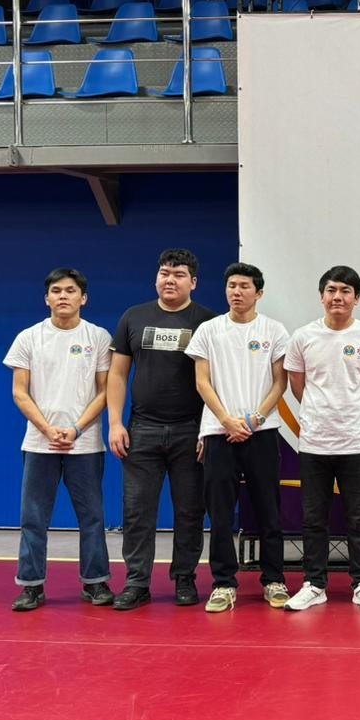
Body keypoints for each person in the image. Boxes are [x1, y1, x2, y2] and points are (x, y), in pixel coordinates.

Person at [107, 249, 216, 610]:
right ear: (156, 278)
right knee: (137, 512)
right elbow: (117, 374)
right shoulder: (134, 317)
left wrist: (207, 430)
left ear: (193, 282)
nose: (170, 280)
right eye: (165, 273)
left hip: (191, 431)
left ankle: (184, 578)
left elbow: (216, 381)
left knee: (189, 511)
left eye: (179, 274)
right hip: (142, 430)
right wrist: (115, 422)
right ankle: (137, 582)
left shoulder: (207, 321)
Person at [3, 267, 113, 611]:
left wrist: (76, 429)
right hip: (40, 444)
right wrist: (47, 429)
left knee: (92, 517)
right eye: (56, 291)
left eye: (70, 290)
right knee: (33, 518)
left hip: (85, 444)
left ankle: (95, 582)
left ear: (84, 298)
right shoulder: (28, 338)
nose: (62, 296)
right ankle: (31, 586)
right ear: (46, 298)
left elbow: (105, 391)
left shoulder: (98, 337)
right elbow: (20, 392)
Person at [283, 266, 360, 612]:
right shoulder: (303, 336)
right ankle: (315, 584)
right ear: (321, 296)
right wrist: (320, 413)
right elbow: (297, 384)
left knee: (358, 517)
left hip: (357, 443)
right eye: (331, 291)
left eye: (345, 291)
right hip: (314, 443)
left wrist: (355, 411)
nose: (337, 297)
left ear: (356, 298)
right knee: (314, 518)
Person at [185, 262, 290, 614]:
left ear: (259, 293)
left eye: (244, 286)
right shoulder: (209, 330)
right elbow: (202, 381)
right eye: (232, 285)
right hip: (219, 433)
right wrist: (226, 420)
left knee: (268, 510)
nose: (236, 291)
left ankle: (274, 580)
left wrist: (256, 418)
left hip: (262, 432)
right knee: (220, 513)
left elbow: (280, 381)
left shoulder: (274, 330)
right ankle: (223, 584)